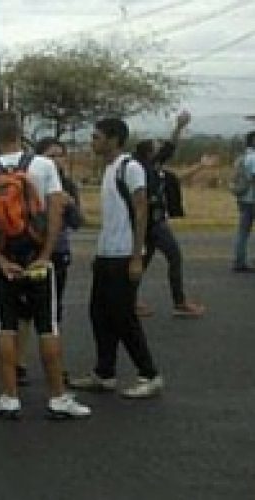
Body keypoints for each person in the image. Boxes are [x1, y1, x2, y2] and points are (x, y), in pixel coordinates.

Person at [0, 112, 90, 419]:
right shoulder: (43, 166)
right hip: (38, 258)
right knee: (47, 326)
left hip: (5, 261)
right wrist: (46, 254)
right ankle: (58, 397)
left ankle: (9, 397)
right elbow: (55, 210)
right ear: (21, 132)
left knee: (6, 327)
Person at [68, 118, 165, 400]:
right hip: (107, 254)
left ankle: (149, 374)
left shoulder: (129, 167)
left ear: (113, 139)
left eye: (96, 137)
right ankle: (104, 372)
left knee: (124, 317)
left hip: (124, 254)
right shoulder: (110, 169)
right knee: (99, 313)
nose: (92, 142)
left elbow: (141, 210)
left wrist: (137, 257)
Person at [134, 112, 205, 318]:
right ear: (149, 153)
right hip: (155, 223)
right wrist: (178, 126)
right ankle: (180, 302)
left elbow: (172, 158)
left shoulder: (150, 170)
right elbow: (170, 147)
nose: (160, 147)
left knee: (142, 262)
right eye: (156, 146)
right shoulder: (147, 168)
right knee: (174, 258)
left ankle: (129, 301)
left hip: (150, 223)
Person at [233, 131, 255, 272]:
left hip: (243, 197)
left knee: (243, 232)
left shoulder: (242, 158)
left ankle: (239, 261)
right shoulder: (253, 158)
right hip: (253, 198)